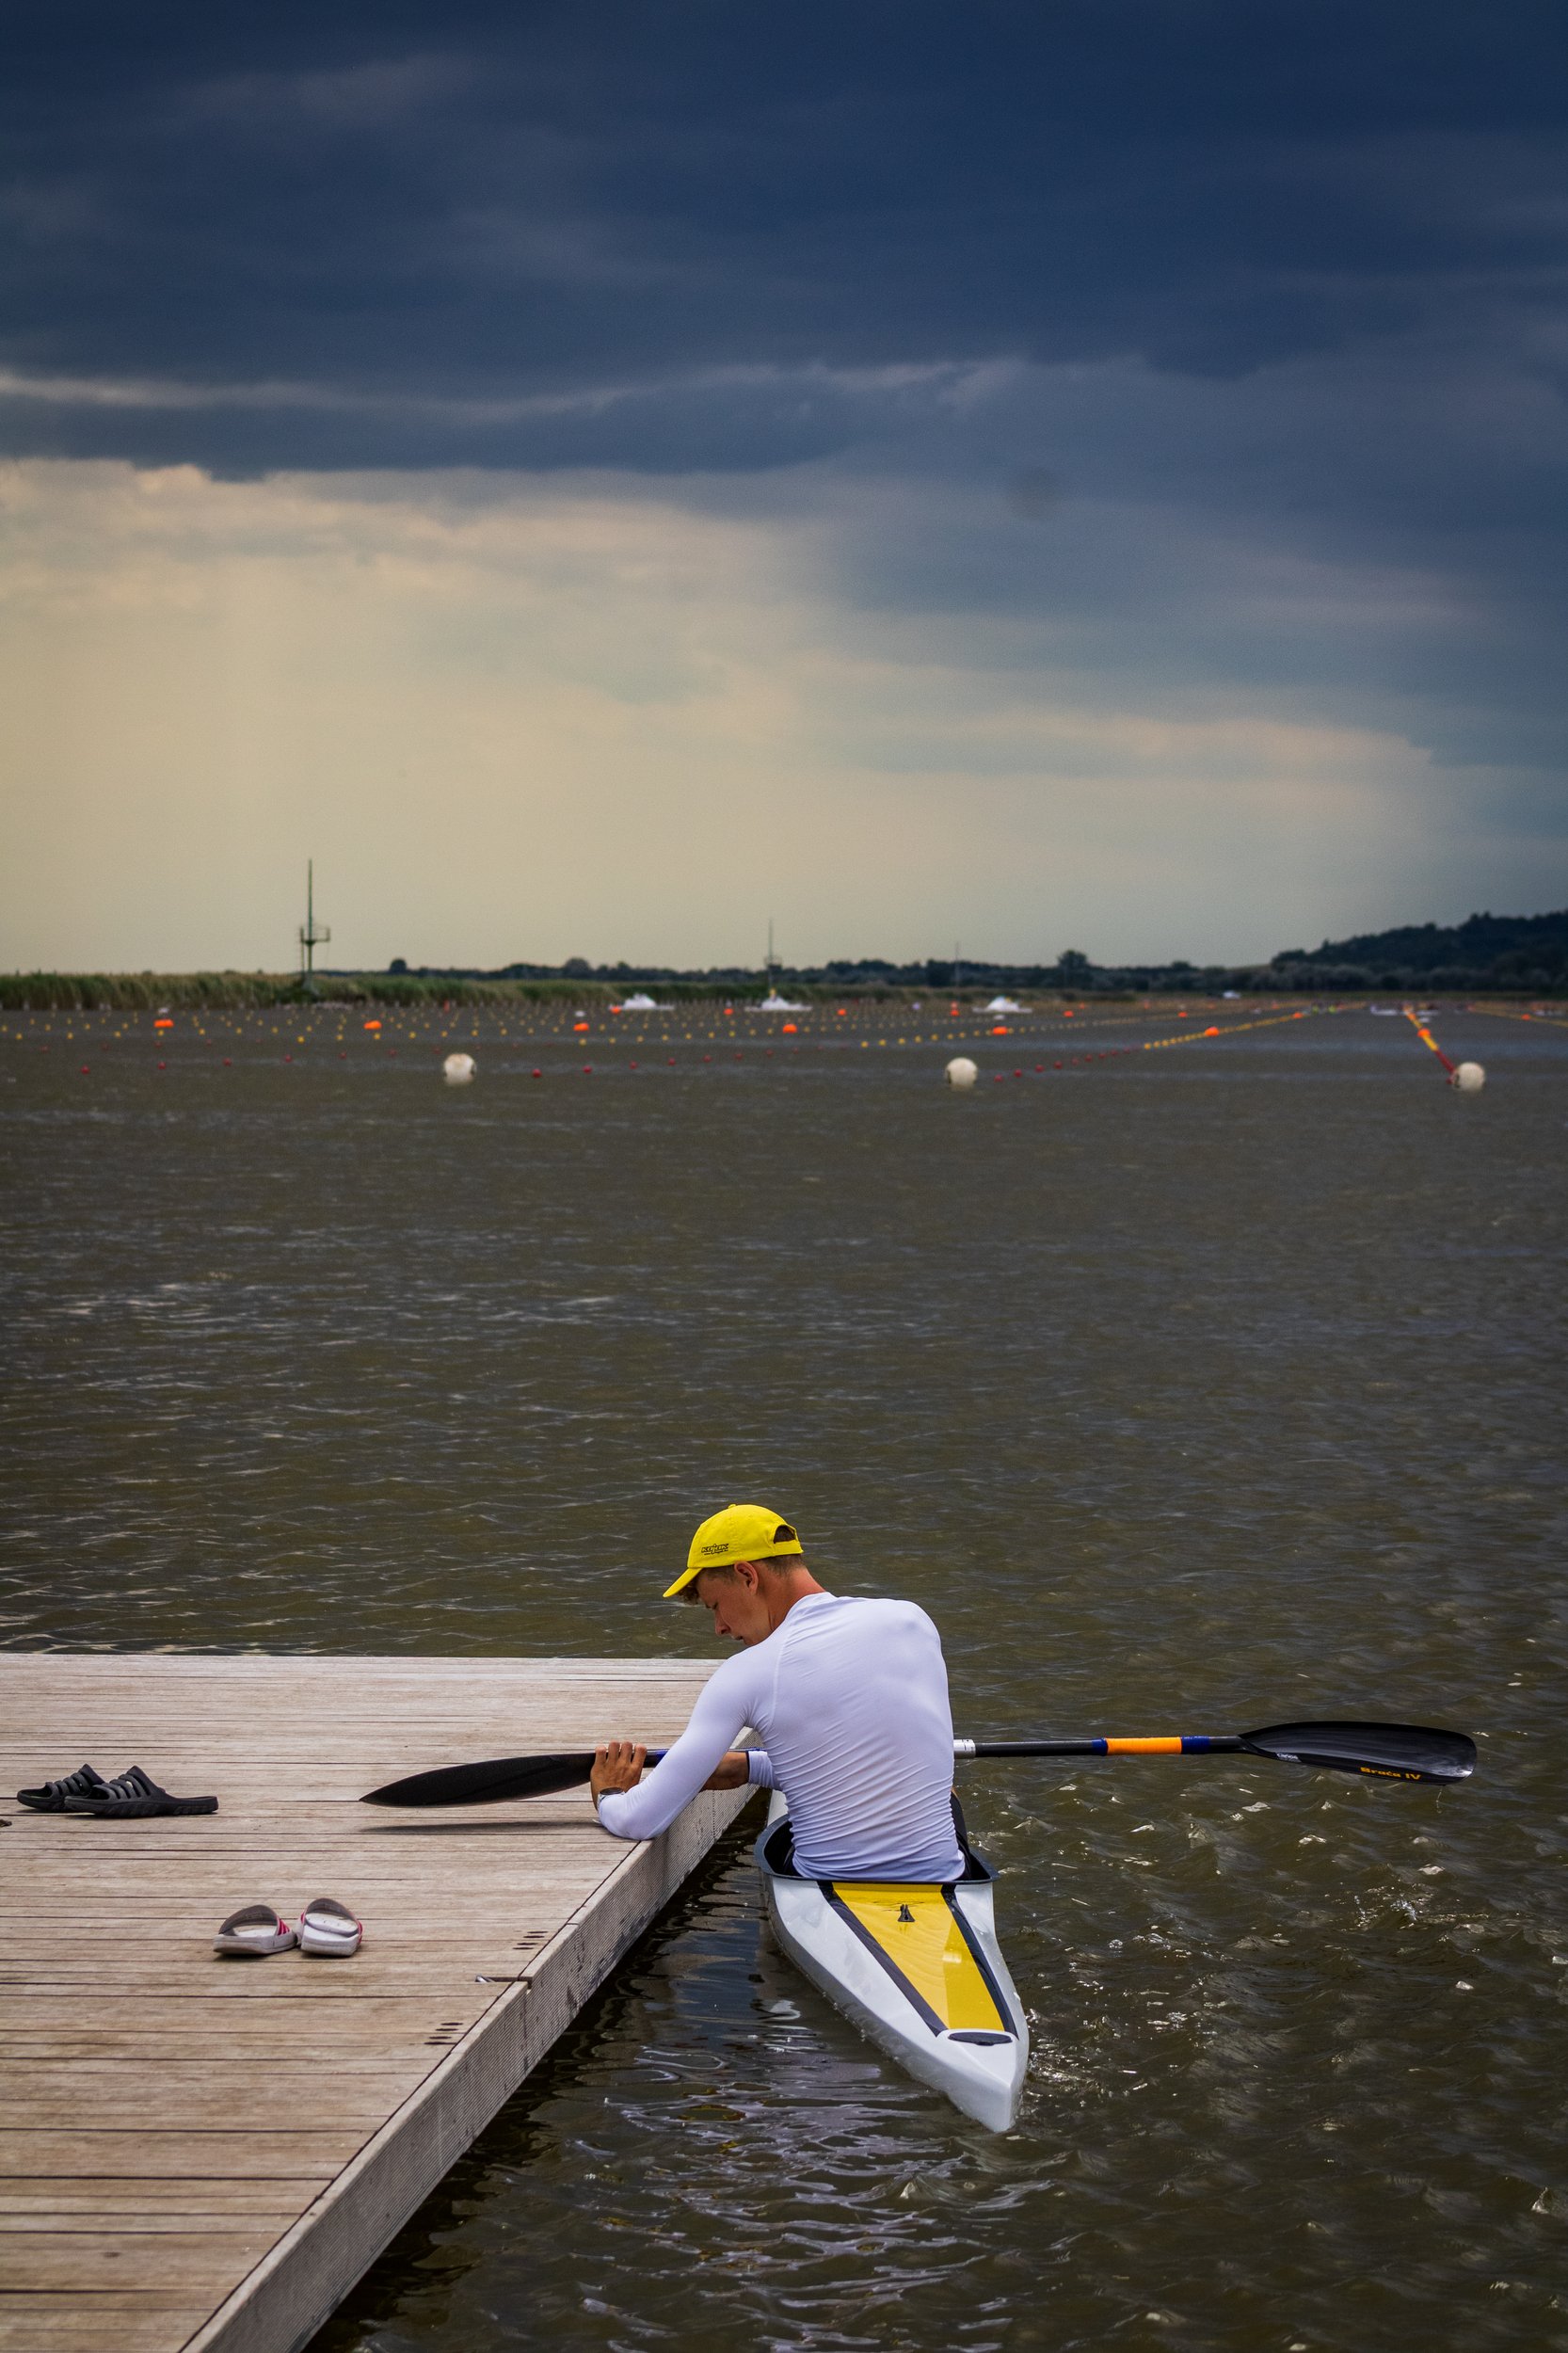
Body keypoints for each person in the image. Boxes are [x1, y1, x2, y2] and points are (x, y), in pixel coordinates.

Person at [591, 1502, 964, 1881]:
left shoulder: (747, 1671)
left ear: (747, 1576)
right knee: (944, 1794)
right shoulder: (912, 1620)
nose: (720, 1627)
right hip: (944, 1875)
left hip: (828, 1880)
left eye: (715, 1606)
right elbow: (872, 1756)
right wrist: (752, 1766)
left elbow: (640, 1820)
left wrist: (610, 1795)